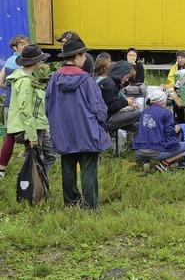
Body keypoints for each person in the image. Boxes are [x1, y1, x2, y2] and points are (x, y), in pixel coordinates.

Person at [46, 38, 110, 210]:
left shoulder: (54, 79)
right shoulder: (87, 80)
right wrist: (102, 123)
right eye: (84, 55)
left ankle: (71, 202)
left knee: (67, 167)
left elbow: (48, 107)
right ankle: (90, 207)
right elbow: (99, 108)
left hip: (63, 132)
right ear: (77, 56)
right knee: (88, 170)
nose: (85, 58)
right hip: (87, 131)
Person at [0, 45, 56, 179]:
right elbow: (25, 110)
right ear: (34, 62)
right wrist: (32, 136)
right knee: (37, 159)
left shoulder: (27, 77)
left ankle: (37, 183)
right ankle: (34, 186)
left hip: (37, 125)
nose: (43, 62)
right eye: (41, 60)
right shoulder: (25, 82)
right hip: (33, 128)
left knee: (48, 156)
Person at [132, 89, 185, 172]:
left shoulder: (144, 111)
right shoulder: (166, 113)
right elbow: (170, 135)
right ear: (163, 101)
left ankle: (145, 161)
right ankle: (166, 163)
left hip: (138, 150)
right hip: (155, 150)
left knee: (151, 144)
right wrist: (177, 129)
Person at [98, 60, 139, 133]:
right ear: (121, 73)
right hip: (106, 119)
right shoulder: (110, 85)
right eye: (127, 77)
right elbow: (111, 107)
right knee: (137, 112)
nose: (127, 80)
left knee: (136, 125)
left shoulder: (110, 82)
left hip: (105, 116)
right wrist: (126, 102)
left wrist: (127, 103)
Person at [0, 34, 29, 125]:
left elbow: (0, 82)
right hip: (21, 105)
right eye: (22, 44)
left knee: (10, 135)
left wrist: (10, 87)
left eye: (27, 44)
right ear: (15, 48)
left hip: (9, 102)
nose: (26, 46)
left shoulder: (9, 61)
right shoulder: (23, 62)